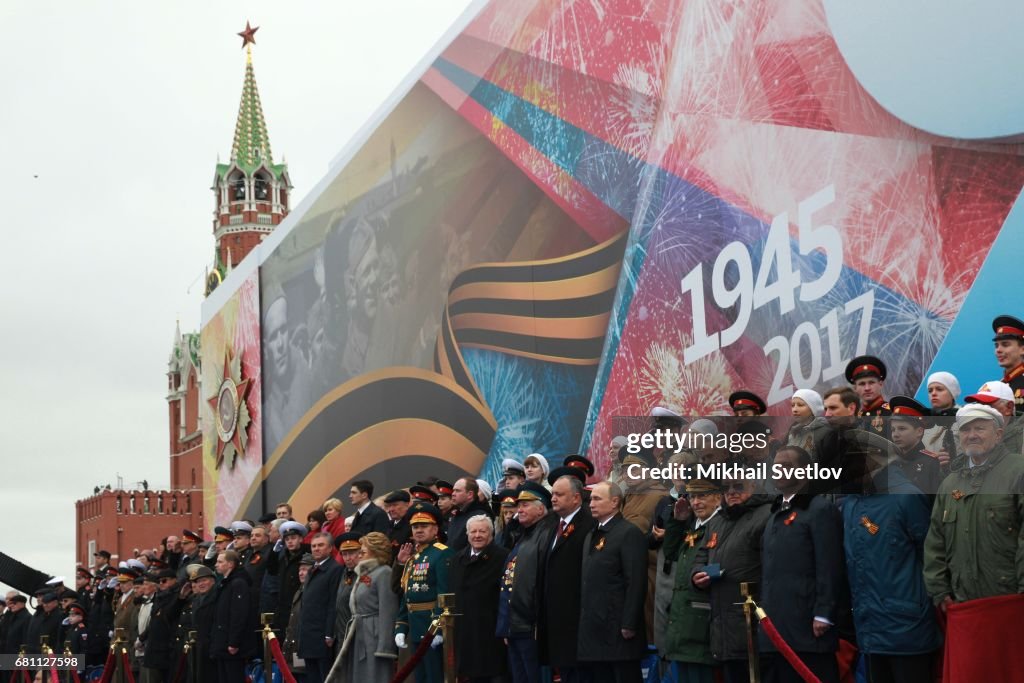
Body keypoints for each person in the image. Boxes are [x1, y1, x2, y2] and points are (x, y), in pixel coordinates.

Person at [841, 431, 940, 683]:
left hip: (907, 626)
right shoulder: (852, 503)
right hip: (869, 627)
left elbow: (929, 555)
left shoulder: (907, 497)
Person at [924, 403, 1024, 604]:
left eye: (979, 428)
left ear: (998, 434)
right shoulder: (949, 484)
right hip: (963, 603)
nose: (971, 435)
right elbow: (936, 541)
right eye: (965, 429)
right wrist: (940, 593)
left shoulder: (1018, 471)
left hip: (1011, 600)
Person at [760, 446, 844, 683]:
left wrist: (824, 613)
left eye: (787, 465)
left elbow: (829, 564)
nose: (779, 470)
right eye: (776, 465)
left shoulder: (819, 509)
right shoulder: (775, 512)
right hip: (776, 626)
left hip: (808, 627)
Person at [695, 474, 772, 683]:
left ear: (754, 486)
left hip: (753, 620)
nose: (731, 492)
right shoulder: (718, 520)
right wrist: (697, 575)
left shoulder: (766, 515)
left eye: (738, 486)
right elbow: (701, 555)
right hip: (722, 621)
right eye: (726, 487)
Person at [578, 481, 648, 683]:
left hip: (618, 630)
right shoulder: (592, 535)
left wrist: (629, 622)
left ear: (615, 501)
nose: (591, 504)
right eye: (590, 499)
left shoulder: (628, 533)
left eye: (597, 499)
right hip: (595, 630)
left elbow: (635, 581)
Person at [663, 479, 725, 683]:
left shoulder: (721, 526)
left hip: (703, 622)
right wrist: (678, 521)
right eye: (692, 497)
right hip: (683, 622)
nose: (696, 502)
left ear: (718, 498)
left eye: (702, 496)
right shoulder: (694, 527)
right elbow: (670, 552)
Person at [496, 482, 554, 683]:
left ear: (541, 508)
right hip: (515, 625)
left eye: (525, 505)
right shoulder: (524, 535)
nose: (519, 509)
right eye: (518, 505)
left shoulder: (546, 534)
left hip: (531, 625)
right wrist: (506, 626)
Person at [541, 475, 595, 683]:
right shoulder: (552, 525)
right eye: (553, 494)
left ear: (576, 498)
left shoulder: (589, 524)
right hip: (556, 619)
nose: (553, 498)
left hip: (577, 618)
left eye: (559, 494)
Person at [328, 532, 399, 683]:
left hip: (373, 635)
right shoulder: (364, 574)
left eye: (363, 552)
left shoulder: (384, 573)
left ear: (376, 551)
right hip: (359, 633)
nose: (359, 555)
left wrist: (384, 646)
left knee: (373, 676)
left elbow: (388, 610)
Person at [394, 503, 451, 683]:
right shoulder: (413, 558)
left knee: (435, 676)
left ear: (435, 529)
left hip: (432, 627)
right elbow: (407, 594)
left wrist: (440, 629)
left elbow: (446, 592)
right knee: (420, 677)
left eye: (424, 526)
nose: (419, 530)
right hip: (415, 625)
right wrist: (401, 626)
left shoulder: (443, 554)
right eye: (415, 526)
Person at [450, 515, 509, 682]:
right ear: (467, 534)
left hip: (491, 632)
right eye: (473, 531)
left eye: (482, 531)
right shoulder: (457, 559)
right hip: (464, 633)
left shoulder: (503, 557)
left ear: (491, 534)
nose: (477, 535)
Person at [300, 532, 343, 683]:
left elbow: (333, 602)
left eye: (320, 545)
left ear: (330, 548)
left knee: (325, 677)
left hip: (323, 635)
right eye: (313, 546)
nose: (316, 549)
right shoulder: (312, 569)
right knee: (312, 676)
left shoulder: (335, 569)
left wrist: (329, 633)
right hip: (309, 633)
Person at [211, 551, 256, 683]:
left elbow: (239, 614)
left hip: (232, 646)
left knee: (233, 677)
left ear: (230, 564)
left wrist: (233, 642)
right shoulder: (226, 583)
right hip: (223, 642)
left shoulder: (238, 583)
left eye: (220, 562)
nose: (216, 565)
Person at [888, 396, 942, 494]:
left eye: (902, 429)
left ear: (919, 431)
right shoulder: (890, 461)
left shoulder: (930, 463)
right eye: (893, 429)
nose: (895, 434)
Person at [270, 520, 309, 634]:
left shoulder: (307, 556)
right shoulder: (284, 557)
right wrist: (274, 553)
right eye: (287, 539)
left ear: (301, 539)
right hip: (283, 608)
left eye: (293, 538)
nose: (290, 541)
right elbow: (272, 570)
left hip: (299, 606)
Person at [187, 564, 218, 683]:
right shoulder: (196, 599)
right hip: (198, 646)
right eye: (198, 581)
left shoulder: (216, 596)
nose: (201, 584)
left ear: (213, 581)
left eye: (204, 580)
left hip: (211, 645)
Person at [923, 372, 961, 467]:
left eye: (939, 389)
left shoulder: (964, 419)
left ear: (952, 393)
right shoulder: (925, 421)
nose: (934, 393)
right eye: (930, 390)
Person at [446, 477, 494, 552]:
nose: (453, 494)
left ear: (470, 494)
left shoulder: (480, 517)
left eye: (457, 491)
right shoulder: (458, 514)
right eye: (453, 490)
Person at [846, 355, 891, 433]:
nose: (867, 388)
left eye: (871, 382)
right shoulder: (856, 418)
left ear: (881, 384)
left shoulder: (893, 413)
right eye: (862, 384)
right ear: (855, 388)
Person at [332, 532, 362, 650]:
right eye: (344, 554)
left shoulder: (365, 574)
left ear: (360, 553)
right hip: (341, 633)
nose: (348, 558)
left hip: (358, 634)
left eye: (352, 553)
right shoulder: (342, 573)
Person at [786, 389, 831, 461]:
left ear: (813, 408)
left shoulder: (826, 432)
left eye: (800, 405)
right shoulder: (793, 434)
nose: (794, 409)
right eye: (792, 405)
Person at [993, 314, 1024, 415]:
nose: (998, 350)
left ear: (1022, 349)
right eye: (996, 345)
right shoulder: (1000, 384)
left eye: (1005, 345)